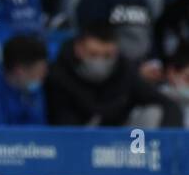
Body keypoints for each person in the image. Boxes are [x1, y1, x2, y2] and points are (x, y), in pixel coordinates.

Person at [46, 20, 180, 125]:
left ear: (116, 51)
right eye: (93, 54)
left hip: (119, 144)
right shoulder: (58, 74)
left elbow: (167, 104)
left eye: (107, 56)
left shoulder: (124, 70)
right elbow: (61, 120)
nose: (100, 62)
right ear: (78, 49)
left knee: (153, 112)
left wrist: (169, 142)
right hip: (73, 141)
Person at [0, 33, 50, 125]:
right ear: (19, 71)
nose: (45, 74)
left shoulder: (34, 88)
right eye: (40, 71)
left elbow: (39, 127)